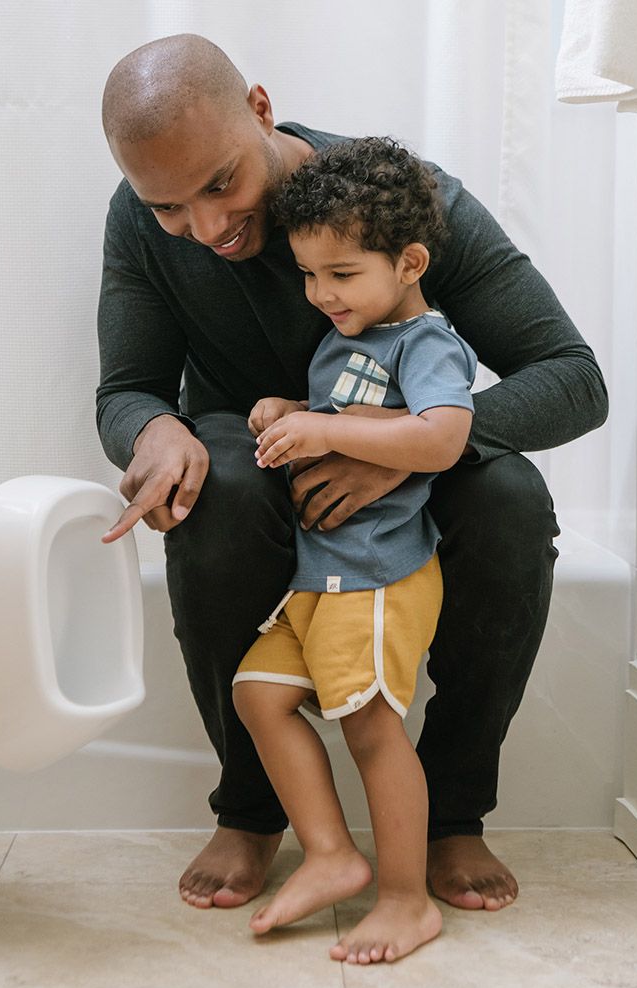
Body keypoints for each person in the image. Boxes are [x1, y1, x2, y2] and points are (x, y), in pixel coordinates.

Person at [96, 34, 607, 915]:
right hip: (252, 470)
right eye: (172, 209)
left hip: (408, 471)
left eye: (221, 185)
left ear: (259, 108)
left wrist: (391, 444)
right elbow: (128, 389)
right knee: (212, 492)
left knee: (512, 500)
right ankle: (252, 811)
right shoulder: (139, 221)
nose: (207, 229)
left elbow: (572, 377)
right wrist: (152, 429)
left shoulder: (404, 203)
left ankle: (452, 816)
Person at [232, 135, 476, 964]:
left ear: (408, 262)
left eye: (341, 275)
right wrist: (289, 408)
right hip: (321, 572)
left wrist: (324, 427)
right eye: (308, 274)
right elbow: (358, 415)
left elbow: (442, 435)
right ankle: (332, 853)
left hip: (377, 572)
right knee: (261, 695)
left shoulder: (425, 342)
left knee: (373, 729)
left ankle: (407, 900)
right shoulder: (354, 336)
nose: (320, 294)